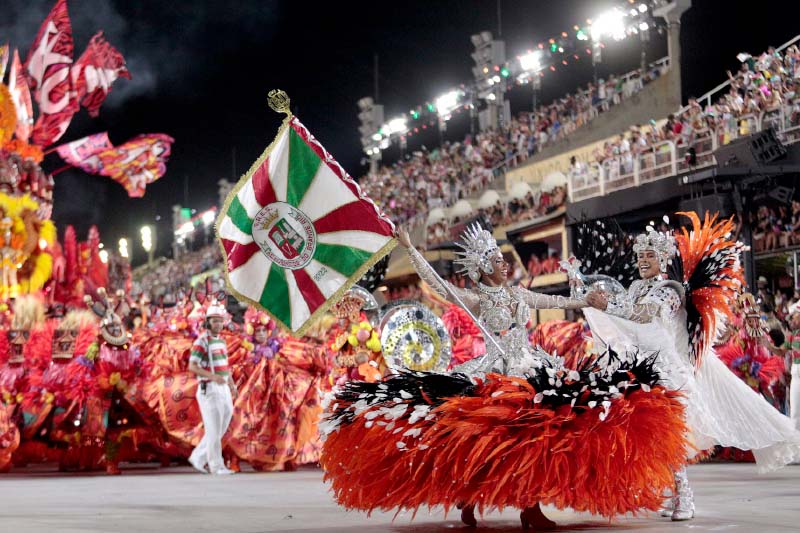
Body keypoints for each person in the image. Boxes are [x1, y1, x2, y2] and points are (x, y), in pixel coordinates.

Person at [321, 224, 691, 530]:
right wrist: (411, 249)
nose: (504, 265)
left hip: (530, 365)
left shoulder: (517, 293)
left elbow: (556, 303)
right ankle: (469, 496)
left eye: (502, 260)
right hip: (495, 372)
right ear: (483, 268)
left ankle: (530, 506)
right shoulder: (477, 297)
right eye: (497, 261)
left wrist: (587, 300)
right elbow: (438, 286)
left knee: (537, 438)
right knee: (485, 436)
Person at [582, 213, 800, 522]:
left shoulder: (670, 292)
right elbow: (628, 318)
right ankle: (671, 494)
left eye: (650, 256)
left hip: (669, 372)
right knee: (651, 438)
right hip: (640, 370)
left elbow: (643, 316)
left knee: (670, 435)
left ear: (662, 259)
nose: (643, 261)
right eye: (640, 255)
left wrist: (606, 305)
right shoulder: (634, 289)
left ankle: (684, 495)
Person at [188, 304, 237, 475]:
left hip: (223, 387)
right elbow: (192, 366)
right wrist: (211, 376)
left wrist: (232, 385)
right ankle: (216, 466)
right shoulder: (201, 341)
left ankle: (198, 457)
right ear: (208, 322)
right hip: (209, 388)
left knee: (221, 427)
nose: (218, 324)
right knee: (214, 429)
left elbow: (226, 365)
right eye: (214, 321)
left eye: (220, 321)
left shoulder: (221, 341)